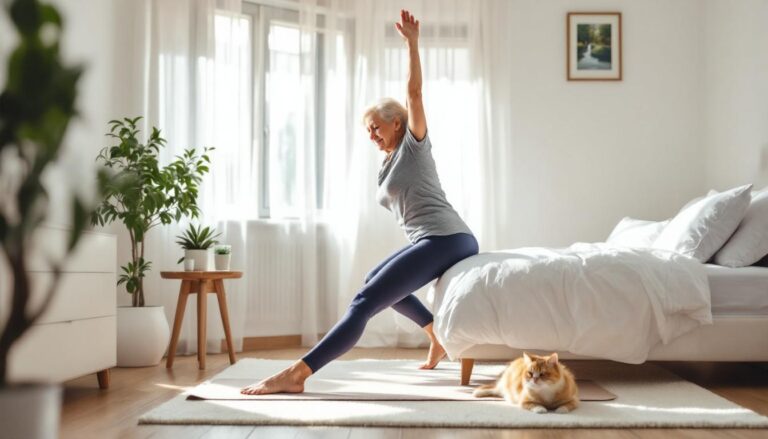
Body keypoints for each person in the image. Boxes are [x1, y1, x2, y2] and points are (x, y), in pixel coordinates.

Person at [241, 9, 478, 395]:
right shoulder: (386, 165)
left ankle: (298, 374)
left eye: (376, 128)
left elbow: (415, 94)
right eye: (368, 131)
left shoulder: (414, 146)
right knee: (373, 282)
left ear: (396, 124)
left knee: (364, 301)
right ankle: (436, 332)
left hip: (448, 238)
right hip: (432, 240)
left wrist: (413, 44)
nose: (372, 135)